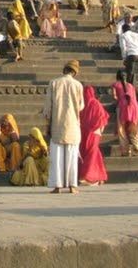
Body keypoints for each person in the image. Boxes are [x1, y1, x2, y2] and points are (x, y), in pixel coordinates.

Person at [43, 60, 84, 194]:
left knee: (57, 157)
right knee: (72, 156)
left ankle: (57, 186)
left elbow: (48, 108)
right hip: (72, 125)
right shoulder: (78, 85)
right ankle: (72, 186)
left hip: (57, 124)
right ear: (75, 72)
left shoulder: (54, 83)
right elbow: (81, 106)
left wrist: (47, 122)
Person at [78, 85, 109, 185]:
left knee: (90, 154)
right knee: (93, 153)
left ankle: (87, 176)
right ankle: (100, 176)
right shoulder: (94, 103)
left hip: (87, 132)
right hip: (93, 132)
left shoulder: (83, 104)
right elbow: (103, 117)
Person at [112, 69, 138, 157]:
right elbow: (136, 98)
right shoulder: (131, 86)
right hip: (134, 108)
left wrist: (120, 100)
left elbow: (114, 97)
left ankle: (125, 151)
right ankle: (137, 147)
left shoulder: (115, 85)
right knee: (133, 129)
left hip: (122, 107)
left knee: (122, 130)